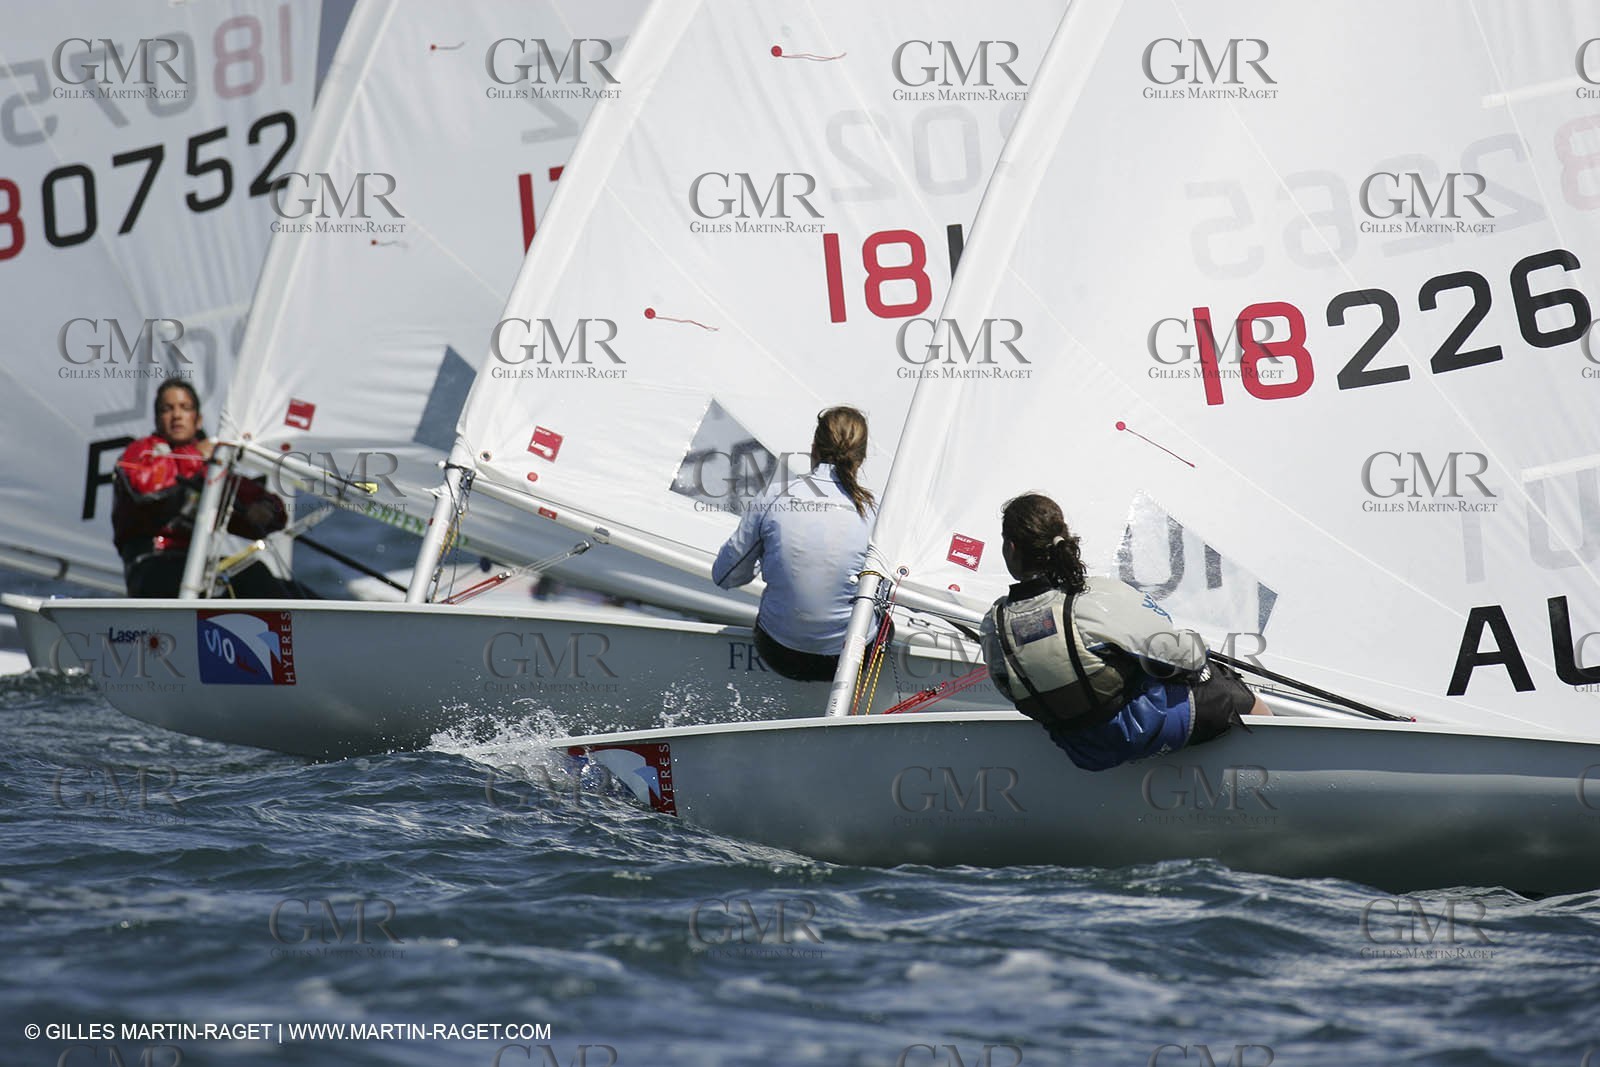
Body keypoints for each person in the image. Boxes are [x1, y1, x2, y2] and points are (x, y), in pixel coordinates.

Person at [979, 493, 1270, 771]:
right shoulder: (1095, 598)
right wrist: (1198, 645)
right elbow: (1186, 657)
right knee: (1224, 683)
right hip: (1136, 732)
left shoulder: (993, 622)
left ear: (1011, 549)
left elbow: (1011, 690)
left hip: (1081, 750)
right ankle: (1272, 764)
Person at [712, 406, 879, 682]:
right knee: (884, 621)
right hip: (846, 662)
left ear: (813, 448)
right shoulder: (877, 514)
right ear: (860, 459)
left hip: (778, 653)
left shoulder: (774, 497)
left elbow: (724, 576)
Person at [112, 377, 297, 598]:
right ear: (158, 418)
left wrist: (264, 510)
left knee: (290, 589)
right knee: (252, 576)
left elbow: (258, 502)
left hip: (194, 568)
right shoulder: (142, 451)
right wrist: (197, 455)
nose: (177, 415)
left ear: (198, 419)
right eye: (167, 409)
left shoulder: (207, 468)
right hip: (151, 567)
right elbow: (148, 488)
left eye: (185, 408)